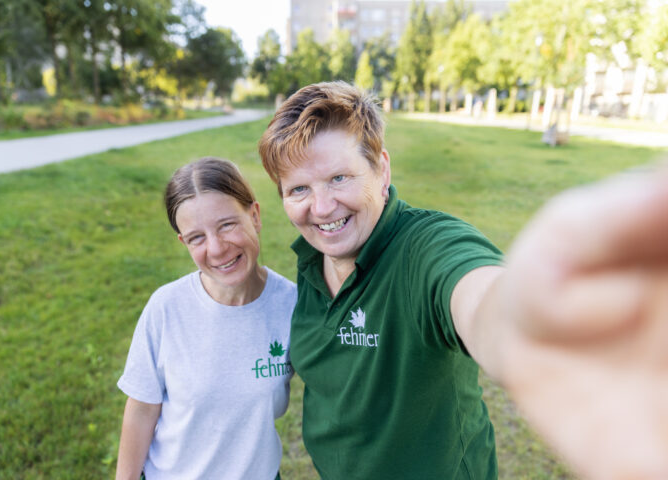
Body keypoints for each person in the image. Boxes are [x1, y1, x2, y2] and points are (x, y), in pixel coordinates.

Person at [258, 81, 668, 480]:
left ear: (381, 170)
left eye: (339, 178)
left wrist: (526, 326)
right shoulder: (311, 261)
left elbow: (481, 299)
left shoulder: (425, 247)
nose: (322, 207)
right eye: (299, 190)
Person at [115, 157, 296, 480]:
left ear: (254, 216)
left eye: (226, 224)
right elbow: (141, 413)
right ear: (184, 242)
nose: (216, 249)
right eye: (197, 237)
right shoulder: (166, 308)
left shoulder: (292, 305)